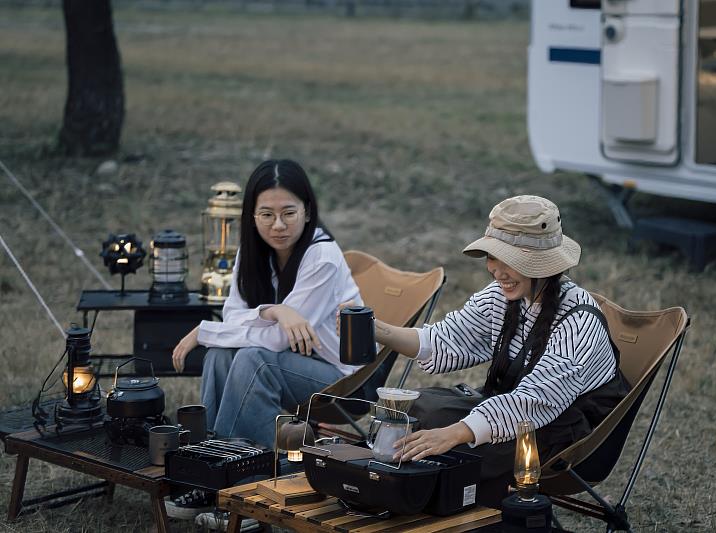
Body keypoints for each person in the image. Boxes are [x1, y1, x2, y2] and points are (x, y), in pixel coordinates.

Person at [363, 195, 630, 508]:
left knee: (455, 447)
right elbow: (445, 340)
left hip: (563, 432)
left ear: (540, 264)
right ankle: (407, 499)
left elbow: (533, 401)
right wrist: (376, 328)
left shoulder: (579, 320)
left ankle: (457, 512)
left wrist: (456, 433)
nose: (496, 271)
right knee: (418, 411)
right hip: (513, 413)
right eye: (492, 258)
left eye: (509, 261)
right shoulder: (502, 296)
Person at [172, 159, 363, 447]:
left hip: (340, 381)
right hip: (293, 363)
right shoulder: (253, 253)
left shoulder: (322, 258)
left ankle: (239, 465)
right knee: (219, 355)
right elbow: (233, 314)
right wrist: (274, 310)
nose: (278, 225)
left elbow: (275, 341)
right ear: (251, 215)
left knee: (254, 359)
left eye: (289, 213)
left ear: (307, 212)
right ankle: (206, 452)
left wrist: (205, 332)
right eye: (266, 214)